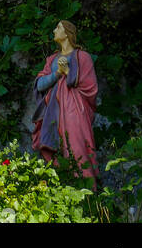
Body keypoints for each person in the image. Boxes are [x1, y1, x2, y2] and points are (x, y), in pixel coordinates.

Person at [32, 19, 98, 186]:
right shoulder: (52, 60)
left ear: (67, 33)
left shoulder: (82, 57)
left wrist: (68, 72)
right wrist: (57, 74)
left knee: (77, 149)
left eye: (58, 27)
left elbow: (90, 87)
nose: (54, 30)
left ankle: (88, 196)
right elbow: (39, 84)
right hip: (54, 111)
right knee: (56, 153)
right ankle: (64, 191)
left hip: (74, 110)